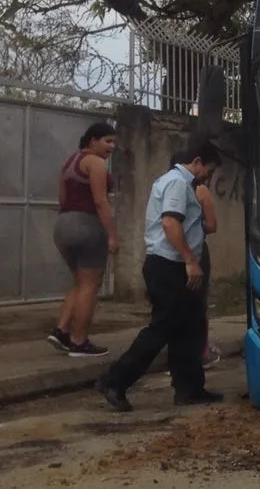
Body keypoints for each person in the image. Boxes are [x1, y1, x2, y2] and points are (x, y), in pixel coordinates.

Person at [95, 141, 225, 412]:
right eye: (208, 170)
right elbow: (169, 223)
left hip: (175, 264)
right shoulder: (177, 182)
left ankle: (189, 388)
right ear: (198, 161)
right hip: (170, 266)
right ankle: (115, 380)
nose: (207, 177)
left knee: (191, 327)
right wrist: (190, 260)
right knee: (163, 327)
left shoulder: (181, 183)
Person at [49, 122, 119, 357]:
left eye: (114, 142)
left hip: (63, 225)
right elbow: (101, 201)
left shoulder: (69, 161)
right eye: (108, 141)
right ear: (93, 141)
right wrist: (111, 235)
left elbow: (62, 197)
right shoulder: (96, 163)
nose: (112, 147)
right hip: (87, 225)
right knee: (91, 285)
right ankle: (79, 341)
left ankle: (60, 330)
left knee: (80, 283)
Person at [168, 151, 222, 369]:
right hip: (195, 251)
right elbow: (211, 225)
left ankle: (182, 351)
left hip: (172, 252)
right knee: (198, 302)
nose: (207, 175)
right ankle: (201, 350)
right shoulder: (199, 190)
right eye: (209, 171)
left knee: (178, 303)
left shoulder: (166, 185)